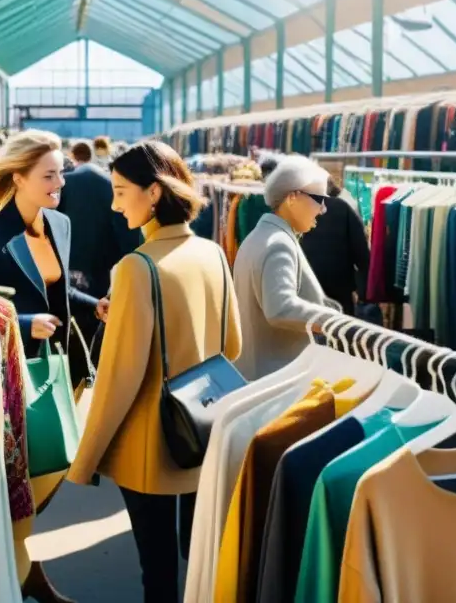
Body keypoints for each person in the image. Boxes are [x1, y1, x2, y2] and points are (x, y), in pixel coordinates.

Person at [68, 141, 243, 603]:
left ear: (153, 194)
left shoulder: (136, 267)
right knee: (197, 560)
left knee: (158, 573)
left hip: (151, 441)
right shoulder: (211, 254)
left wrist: (84, 462)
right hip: (202, 428)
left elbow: (120, 379)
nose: (113, 202)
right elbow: (234, 345)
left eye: (122, 191)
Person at [0, 129, 106, 603]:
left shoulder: (56, 224)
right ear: (18, 177)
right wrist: (22, 321)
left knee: (44, 479)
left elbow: (55, 288)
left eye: (61, 172)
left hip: (59, 369)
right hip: (14, 376)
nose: (60, 182)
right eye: (49, 174)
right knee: (24, 484)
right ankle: (16, 576)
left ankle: (23, 571)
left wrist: (90, 303)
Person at [232, 155, 341, 381]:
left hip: (258, 374)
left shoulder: (260, 236)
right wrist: (336, 323)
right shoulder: (277, 243)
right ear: (293, 197)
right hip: (275, 381)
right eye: (319, 199)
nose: (323, 209)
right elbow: (280, 308)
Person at [58, 140, 142, 343]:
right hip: (98, 276)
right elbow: (129, 243)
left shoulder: (62, 185)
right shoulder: (112, 187)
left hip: (62, 275)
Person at [299, 177, 370, 317]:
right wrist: (363, 292)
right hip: (339, 289)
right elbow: (362, 255)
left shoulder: (295, 210)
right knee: (339, 334)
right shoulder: (342, 207)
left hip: (304, 289)